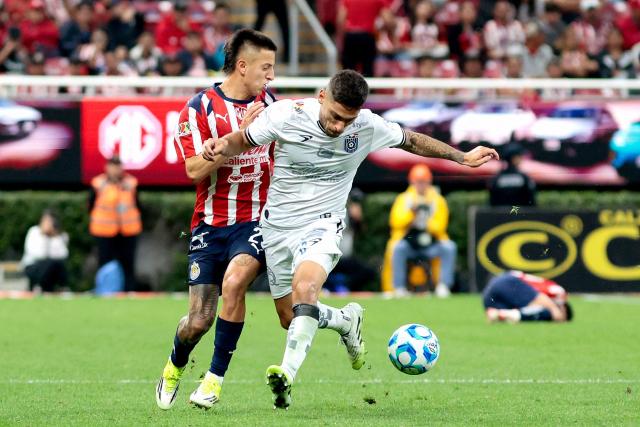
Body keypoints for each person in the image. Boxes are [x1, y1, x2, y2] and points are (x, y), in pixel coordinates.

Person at [207, 69, 498, 409]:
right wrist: (222, 144)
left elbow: (412, 140)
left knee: (306, 290)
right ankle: (346, 320)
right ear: (321, 96)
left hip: (324, 224)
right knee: (290, 317)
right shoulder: (286, 115)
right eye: (334, 117)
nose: (339, 127)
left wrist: (461, 157)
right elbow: (243, 139)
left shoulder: (367, 125)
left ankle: (286, 374)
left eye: (347, 120)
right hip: (277, 228)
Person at [155, 29, 278, 411]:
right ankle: (175, 365)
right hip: (210, 225)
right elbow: (194, 169)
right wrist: (237, 137)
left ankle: (213, 380)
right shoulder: (197, 110)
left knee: (236, 281)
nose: (271, 76)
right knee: (198, 320)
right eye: (266, 67)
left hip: (257, 219)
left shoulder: (271, 102)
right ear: (243, 66)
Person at [383, 164, 457, 298]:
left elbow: (440, 226)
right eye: (418, 181)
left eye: (424, 181)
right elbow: (395, 222)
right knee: (396, 248)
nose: (421, 184)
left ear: (429, 181)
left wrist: (425, 218)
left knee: (449, 247)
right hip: (409, 242)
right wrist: (412, 214)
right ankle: (398, 288)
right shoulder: (403, 199)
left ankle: (443, 285)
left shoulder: (437, 200)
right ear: (412, 181)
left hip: (430, 243)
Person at [89, 156, 142, 292]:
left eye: (118, 166)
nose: (115, 170)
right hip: (104, 231)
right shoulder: (98, 183)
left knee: (127, 264)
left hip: (128, 231)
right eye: (112, 166)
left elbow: (138, 205)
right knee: (104, 263)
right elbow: (90, 206)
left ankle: (129, 291)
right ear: (106, 167)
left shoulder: (131, 183)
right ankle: (104, 291)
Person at [483, 270, 573, 323]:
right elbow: (541, 297)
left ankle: (499, 314)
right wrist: (555, 311)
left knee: (541, 311)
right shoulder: (559, 292)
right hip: (509, 282)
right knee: (546, 313)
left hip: (490, 297)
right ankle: (503, 314)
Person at [21, 209, 68, 293]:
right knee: (47, 263)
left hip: (52, 267)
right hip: (33, 266)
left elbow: (63, 254)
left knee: (56, 264)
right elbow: (35, 254)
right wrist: (45, 237)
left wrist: (54, 237)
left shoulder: (59, 235)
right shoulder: (34, 231)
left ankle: (62, 287)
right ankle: (38, 286)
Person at [488, 142, 536, 207]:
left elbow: (492, 204)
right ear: (514, 158)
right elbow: (532, 203)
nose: (521, 158)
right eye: (519, 155)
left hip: (500, 216)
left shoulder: (496, 179)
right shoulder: (524, 178)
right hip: (521, 216)